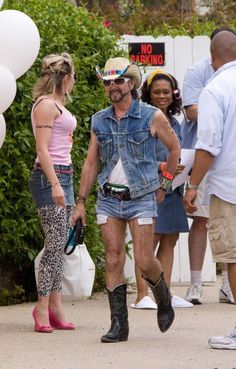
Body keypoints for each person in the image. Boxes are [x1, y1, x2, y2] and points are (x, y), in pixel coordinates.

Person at [72, 57, 180, 343]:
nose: (112, 86)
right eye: (107, 82)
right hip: (109, 198)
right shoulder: (99, 119)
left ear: (131, 83)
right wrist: (80, 202)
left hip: (142, 195)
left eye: (118, 80)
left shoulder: (151, 116)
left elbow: (174, 148)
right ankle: (119, 324)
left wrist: (165, 184)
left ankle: (163, 295)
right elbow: (91, 163)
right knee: (113, 259)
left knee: (145, 260)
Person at [183, 31, 236, 349]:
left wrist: (192, 186)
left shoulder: (215, 88)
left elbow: (208, 145)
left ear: (212, 56)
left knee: (234, 259)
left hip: (229, 189)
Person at [130, 68, 191, 310]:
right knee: (148, 243)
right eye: (157, 92)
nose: (162, 96)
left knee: (170, 239)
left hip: (173, 188)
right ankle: (142, 295)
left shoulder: (175, 122)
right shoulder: (143, 119)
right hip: (151, 186)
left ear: (174, 94)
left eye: (167, 92)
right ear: (148, 94)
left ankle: (163, 293)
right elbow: (136, 156)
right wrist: (162, 166)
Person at [29, 53, 77, 333]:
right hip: (51, 178)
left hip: (65, 174)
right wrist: (56, 183)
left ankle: (56, 306)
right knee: (55, 243)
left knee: (59, 244)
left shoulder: (58, 104)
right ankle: (42, 307)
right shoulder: (46, 105)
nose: (73, 82)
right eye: (72, 77)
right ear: (64, 78)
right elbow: (42, 149)